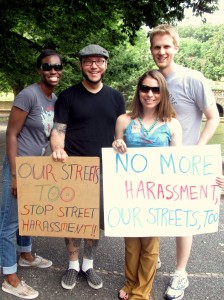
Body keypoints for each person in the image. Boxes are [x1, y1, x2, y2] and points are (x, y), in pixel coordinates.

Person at [149, 24, 220, 300]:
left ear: (176, 47)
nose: (162, 51)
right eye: (157, 47)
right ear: (151, 50)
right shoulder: (151, 80)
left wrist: (197, 151)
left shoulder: (194, 79)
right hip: (154, 162)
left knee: (182, 220)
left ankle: (180, 273)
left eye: (167, 46)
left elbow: (212, 117)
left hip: (183, 163)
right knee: (151, 213)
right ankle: (151, 258)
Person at [50, 44, 126, 291]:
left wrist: (120, 142)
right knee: (71, 219)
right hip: (73, 168)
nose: (94, 66)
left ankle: (88, 264)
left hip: (104, 170)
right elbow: (58, 130)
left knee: (94, 220)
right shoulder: (68, 96)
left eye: (99, 61)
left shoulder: (116, 97)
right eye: (88, 61)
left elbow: (119, 133)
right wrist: (57, 148)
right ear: (81, 65)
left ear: (106, 65)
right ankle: (73, 264)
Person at [112, 69, 182, 300]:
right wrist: (118, 147)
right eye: (145, 88)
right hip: (129, 191)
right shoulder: (124, 120)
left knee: (150, 244)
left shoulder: (172, 124)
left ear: (162, 93)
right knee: (131, 243)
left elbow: (179, 163)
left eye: (155, 89)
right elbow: (116, 153)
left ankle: (142, 292)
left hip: (156, 194)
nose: (150, 94)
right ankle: (130, 283)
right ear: (138, 91)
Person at [0, 49, 63, 299]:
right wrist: (15, 175)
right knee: (9, 222)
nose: (53, 71)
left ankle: (25, 254)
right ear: (40, 70)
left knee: (28, 213)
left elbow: (50, 136)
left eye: (57, 67)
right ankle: (9, 277)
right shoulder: (28, 95)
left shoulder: (54, 100)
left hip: (36, 168)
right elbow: (11, 134)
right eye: (47, 67)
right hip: (18, 167)